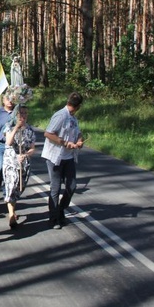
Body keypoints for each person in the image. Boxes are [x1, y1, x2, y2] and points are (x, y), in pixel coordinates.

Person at [41, 92, 85, 229]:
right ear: (78, 106)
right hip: (55, 157)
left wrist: (79, 140)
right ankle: (53, 218)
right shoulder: (60, 115)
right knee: (55, 188)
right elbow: (48, 133)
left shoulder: (73, 118)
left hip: (69, 157)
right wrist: (65, 143)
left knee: (71, 186)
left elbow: (78, 132)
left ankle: (60, 209)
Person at [1, 104, 36, 228]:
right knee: (11, 185)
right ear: (16, 115)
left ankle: (13, 209)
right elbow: (9, 142)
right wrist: (16, 127)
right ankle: (11, 216)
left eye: (25, 113)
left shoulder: (30, 130)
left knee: (18, 188)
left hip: (23, 163)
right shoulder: (9, 127)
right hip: (10, 162)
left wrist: (26, 155)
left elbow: (33, 148)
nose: (23, 116)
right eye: (21, 113)